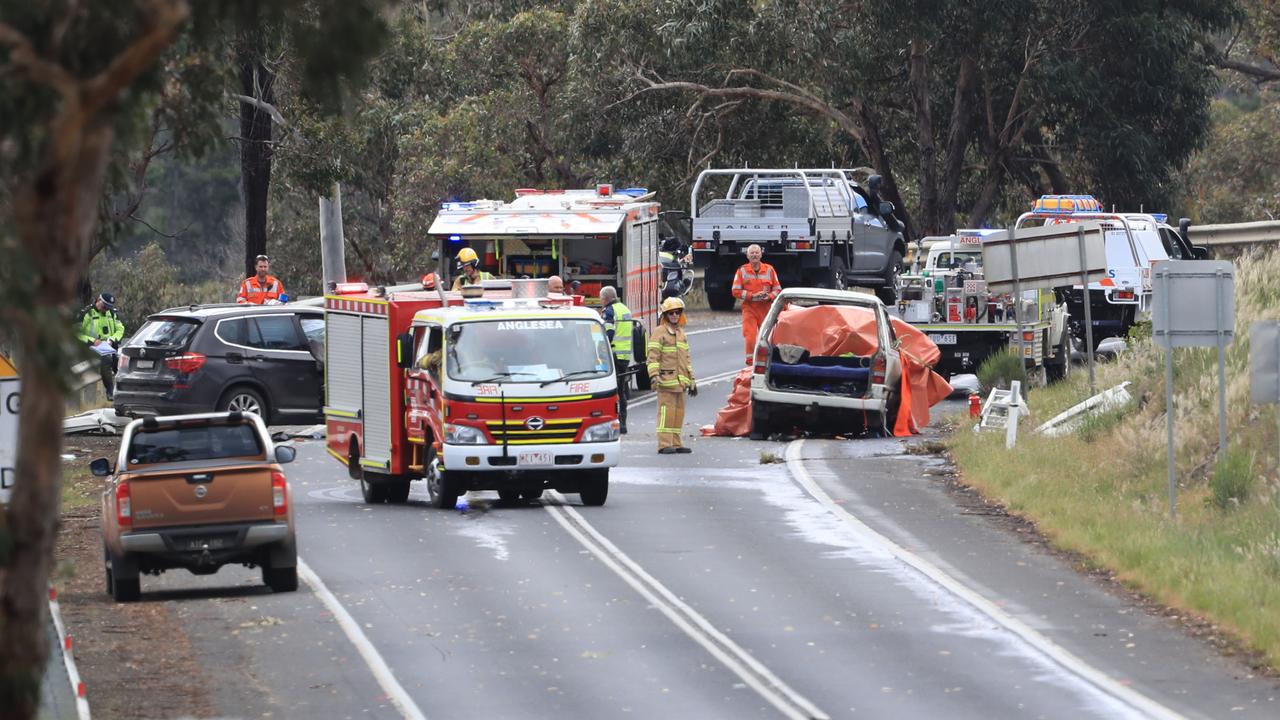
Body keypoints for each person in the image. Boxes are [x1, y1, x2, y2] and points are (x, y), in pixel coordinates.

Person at [647, 296, 696, 454]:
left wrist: (692, 380)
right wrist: (654, 376)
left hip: (680, 383)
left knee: (678, 414)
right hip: (665, 381)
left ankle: (676, 443)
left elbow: (686, 359)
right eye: (671, 313)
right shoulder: (659, 332)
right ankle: (664, 444)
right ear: (665, 315)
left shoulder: (681, 334)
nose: (674, 315)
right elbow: (652, 356)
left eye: (677, 312)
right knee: (665, 415)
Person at [731, 244, 781, 364]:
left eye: (757, 253)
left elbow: (778, 289)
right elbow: (735, 291)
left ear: (761, 254)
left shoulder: (769, 269)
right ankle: (750, 361)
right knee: (750, 335)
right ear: (747, 256)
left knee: (768, 335)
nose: (754, 255)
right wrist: (751, 296)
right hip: (750, 308)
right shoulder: (742, 271)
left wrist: (769, 296)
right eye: (752, 253)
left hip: (766, 308)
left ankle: (769, 360)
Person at [77, 292, 125, 400]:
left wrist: (112, 339)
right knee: (106, 359)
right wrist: (93, 341)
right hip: (91, 346)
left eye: (108, 308)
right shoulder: (87, 313)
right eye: (104, 307)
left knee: (119, 361)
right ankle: (110, 391)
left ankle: (123, 390)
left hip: (108, 346)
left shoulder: (112, 313)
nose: (106, 310)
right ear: (98, 300)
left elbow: (120, 329)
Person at [599, 286, 632, 434]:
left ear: (605, 298)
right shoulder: (624, 309)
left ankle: (616, 421)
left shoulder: (609, 311)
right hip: (624, 356)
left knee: (613, 391)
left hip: (613, 354)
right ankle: (623, 423)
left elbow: (609, 332)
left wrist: (600, 347)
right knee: (622, 390)